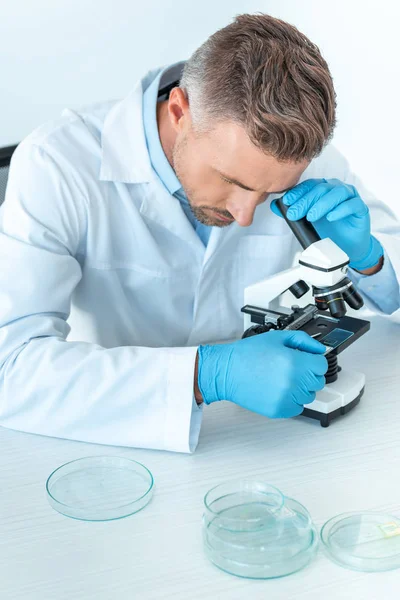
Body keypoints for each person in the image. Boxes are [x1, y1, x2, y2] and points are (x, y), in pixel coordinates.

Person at [0, 14, 399, 453]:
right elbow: (11, 368)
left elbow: (389, 290)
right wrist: (204, 374)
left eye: (272, 192)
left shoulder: (297, 155)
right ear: (179, 112)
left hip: (261, 439)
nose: (246, 213)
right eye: (233, 181)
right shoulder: (56, 164)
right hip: (110, 433)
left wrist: (370, 258)